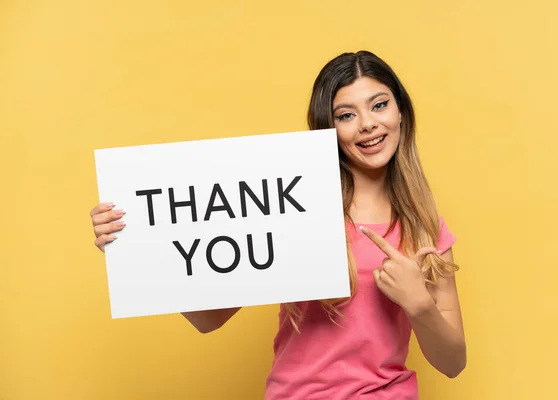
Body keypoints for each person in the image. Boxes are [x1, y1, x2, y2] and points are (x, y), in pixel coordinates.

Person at [89, 50, 466, 399]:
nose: (368, 124)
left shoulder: (424, 228)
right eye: (346, 115)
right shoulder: (296, 207)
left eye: (379, 105)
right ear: (328, 129)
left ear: (401, 112)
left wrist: (419, 303)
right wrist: (137, 247)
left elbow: (452, 363)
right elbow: (209, 319)